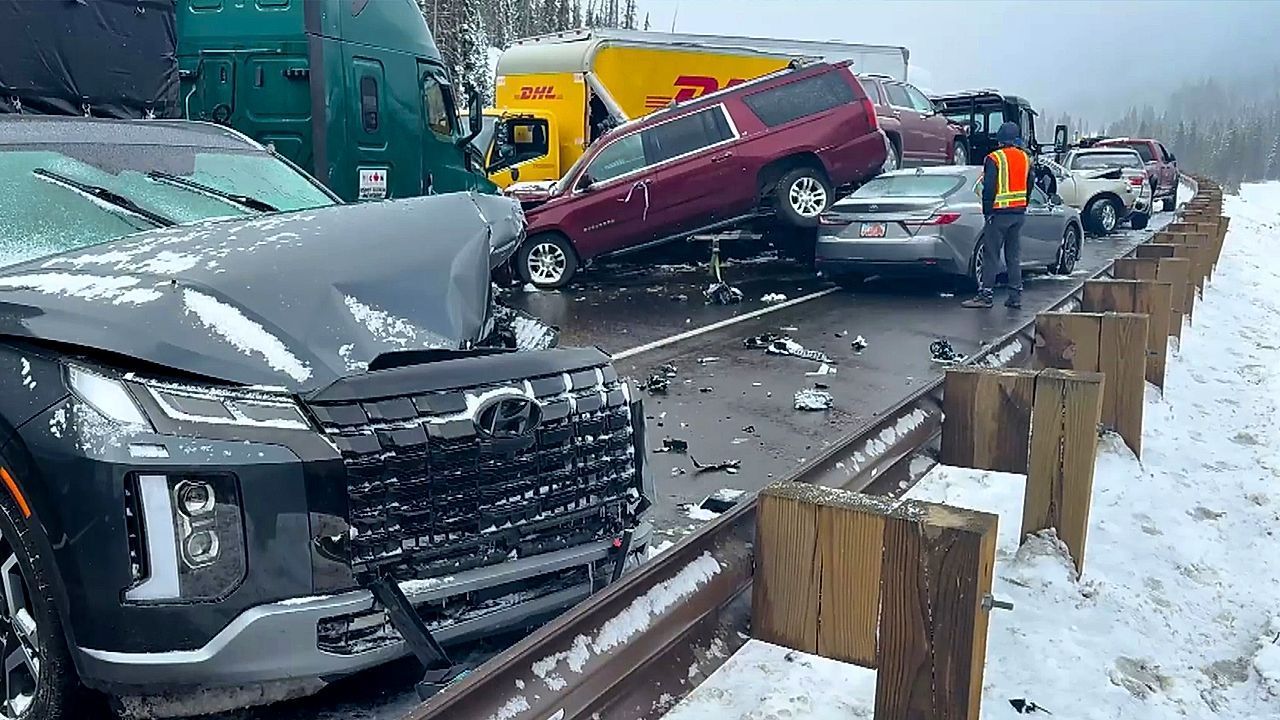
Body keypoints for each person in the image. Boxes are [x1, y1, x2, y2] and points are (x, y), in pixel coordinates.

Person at [962, 121, 1035, 309]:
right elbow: (1030, 183)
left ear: (1000, 140)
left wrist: (987, 211)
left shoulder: (994, 158)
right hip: (1018, 213)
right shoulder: (1025, 158)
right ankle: (1015, 296)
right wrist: (1023, 203)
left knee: (991, 255)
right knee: (1013, 256)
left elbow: (989, 188)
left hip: (999, 214)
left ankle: (985, 295)